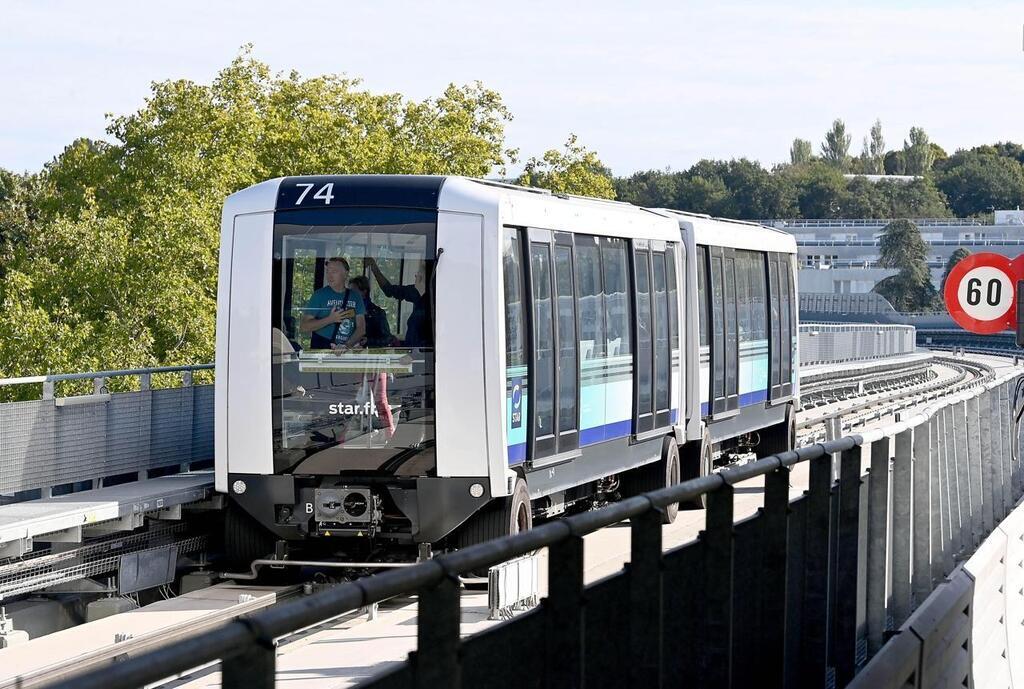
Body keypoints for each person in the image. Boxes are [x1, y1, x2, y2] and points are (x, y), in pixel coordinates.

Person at [300, 257, 366, 350]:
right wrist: (330, 319)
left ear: (346, 274)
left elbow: (361, 329)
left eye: (334, 272)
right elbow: (304, 326)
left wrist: (346, 346)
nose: (329, 276)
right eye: (328, 272)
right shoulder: (319, 295)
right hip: (322, 349)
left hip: (346, 351)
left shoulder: (356, 297)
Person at [365, 256, 432, 347]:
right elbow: (389, 290)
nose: (415, 276)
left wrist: (414, 355)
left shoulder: (428, 307)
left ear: (421, 278)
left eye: (418, 273)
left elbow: (429, 338)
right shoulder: (415, 292)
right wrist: (374, 268)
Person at [348, 275, 396, 348]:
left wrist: (368, 341)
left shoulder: (376, 313)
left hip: (368, 354)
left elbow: (387, 339)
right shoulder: (346, 311)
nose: (350, 295)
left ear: (364, 292)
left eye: (354, 291)